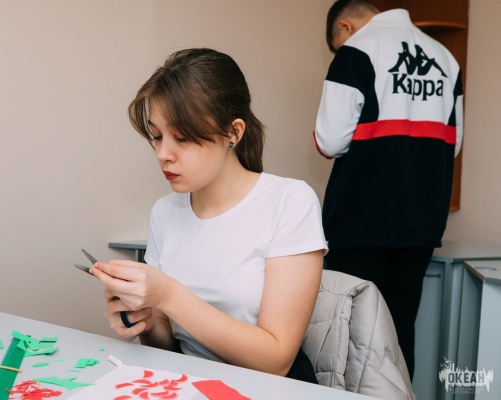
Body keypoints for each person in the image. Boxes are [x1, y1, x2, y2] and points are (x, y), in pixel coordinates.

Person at [89, 48, 327, 383]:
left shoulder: (289, 201)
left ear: (233, 133)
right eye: (157, 136)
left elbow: (276, 362)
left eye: (182, 137)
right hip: (192, 383)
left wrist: (168, 295)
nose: (163, 153)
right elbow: (168, 347)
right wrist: (145, 321)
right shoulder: (165, 212)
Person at [314, 0, 463, 379]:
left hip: (360, 216)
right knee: (398, 330)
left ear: (345, 27)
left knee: (349, 331)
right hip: (422, 217)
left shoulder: (355, 50)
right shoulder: (446, 58)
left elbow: (329, 140)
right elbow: (453, 144)